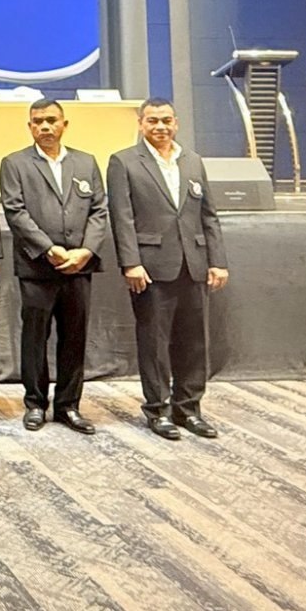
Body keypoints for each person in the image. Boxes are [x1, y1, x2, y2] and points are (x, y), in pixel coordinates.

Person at [107, 98, 229, 440]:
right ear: (140, 124)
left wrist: (217, 260)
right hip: (150, 268)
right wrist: (131, 262)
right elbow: (122, 217)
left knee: (194, 342)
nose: (160, 126)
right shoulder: (123, 162)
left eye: (166, 120)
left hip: (194, 265)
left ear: (176, 123)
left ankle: (188, 408)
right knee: (155, 344)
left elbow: (209, 215)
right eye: (152, 121)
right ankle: (157, 410)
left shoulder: (193, 160)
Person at [0, 98, 109, 435]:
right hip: (37, 267)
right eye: (38, 121)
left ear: (64, 124)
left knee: (74, 337)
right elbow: (15, 212)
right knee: (35, 337)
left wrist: (86, 251)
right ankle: (35, 403)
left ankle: (68, 406)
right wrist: (49, 249)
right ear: (30, 127)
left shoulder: (86, 162)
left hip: (79, 265)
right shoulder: (15, 163)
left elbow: (99, 210)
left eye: (51, 120)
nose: (45, 126)